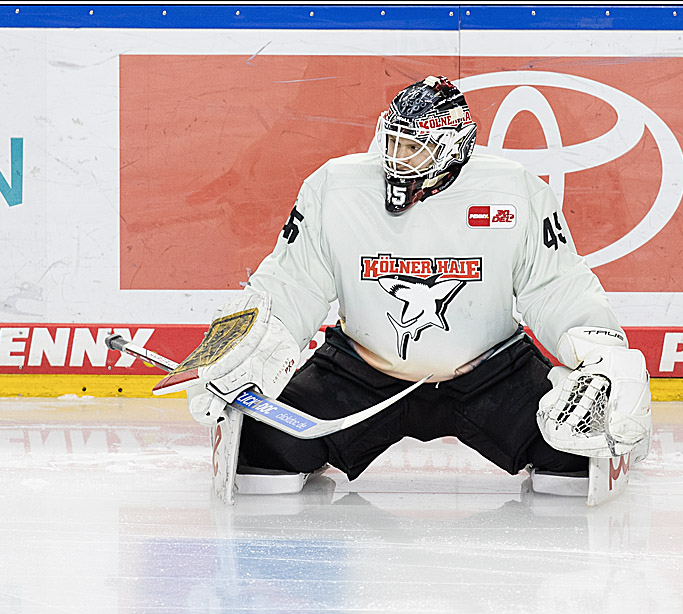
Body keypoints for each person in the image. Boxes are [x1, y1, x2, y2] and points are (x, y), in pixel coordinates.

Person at [183, 75, 652, 498]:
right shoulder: (335, 188)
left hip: (490, 375)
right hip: (360, 373)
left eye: (414, 148)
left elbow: (558, 288)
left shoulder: (517, 191)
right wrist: (236, 346)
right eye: (393, 141)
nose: (396, 157)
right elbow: (289, 283)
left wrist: (603, 358)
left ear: (453, 148)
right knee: (258, 456)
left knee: (574, 463)